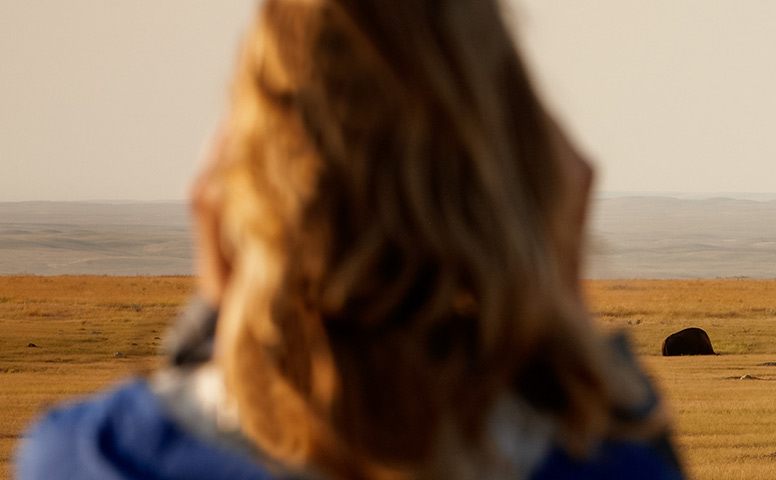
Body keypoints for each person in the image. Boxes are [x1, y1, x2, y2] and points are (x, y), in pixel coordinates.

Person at [15, 1, 684, 479]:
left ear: (231, 193)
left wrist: (215, 323)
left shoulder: (91, 456)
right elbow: (617, 440)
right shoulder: (604, 462)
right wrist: (558, 299)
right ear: (527, 183)